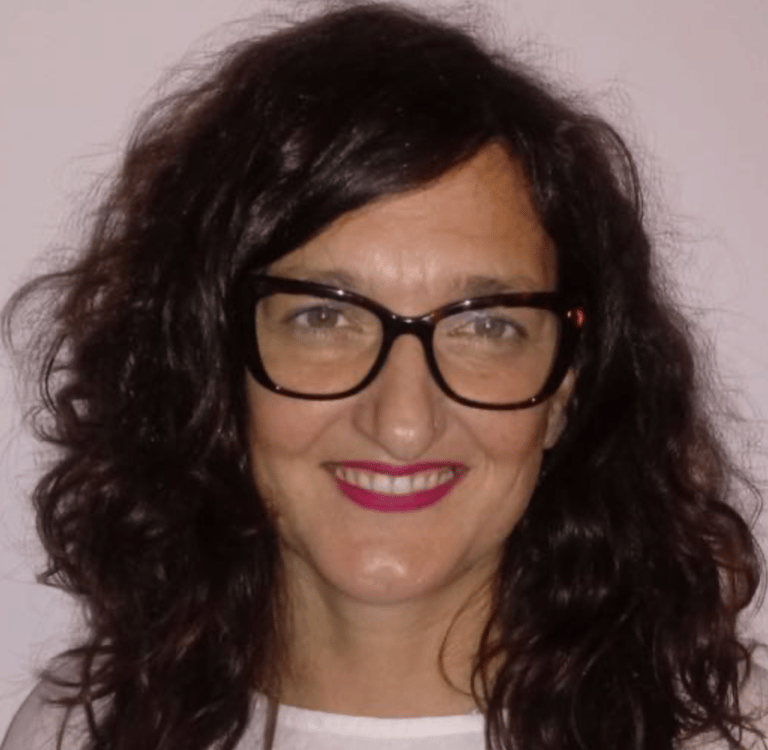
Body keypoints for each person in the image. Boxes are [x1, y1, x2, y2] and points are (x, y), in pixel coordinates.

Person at [1, 3, 766, 749]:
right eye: (323, 317)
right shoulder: (83, 731)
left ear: (566, 386)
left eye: (486, 325)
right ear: (218, 361)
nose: (402, 421)